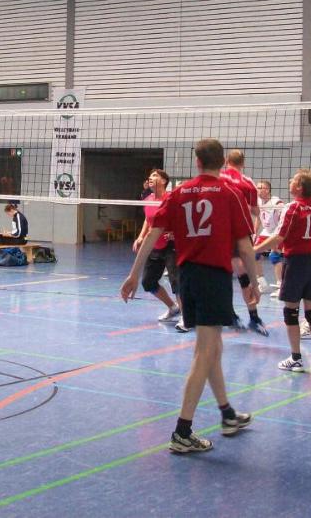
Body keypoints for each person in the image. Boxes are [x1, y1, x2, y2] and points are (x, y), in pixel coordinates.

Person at [121, 138, 259, 454]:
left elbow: (152, 235)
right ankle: (182, 432)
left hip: (188, 276)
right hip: (213, 277)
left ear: (197, 162)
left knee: (212, 348)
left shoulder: (179, 193)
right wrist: (252, 282)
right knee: (205, 352)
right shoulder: (231, 193)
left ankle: (227, 414)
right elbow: (245, 245)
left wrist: (133, 274)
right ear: (223, 163)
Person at [255, 170, 311, 375]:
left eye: (293, 180)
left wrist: (254, 249)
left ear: (299, 187)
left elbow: (279, 237)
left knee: (291, 312)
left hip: (297, 263)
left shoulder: (292, 207)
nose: (289, 182)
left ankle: (296, 359)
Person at [221, 149, 268, 336]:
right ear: (243, 163)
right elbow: (256, 211)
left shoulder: (218, 178)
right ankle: (253, 317)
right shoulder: (247, 182)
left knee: (223, 273)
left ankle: (230, 315)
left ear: (226, 161)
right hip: (241, 231)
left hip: (220, 231)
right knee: (243, 274)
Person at [132, 169, 180, 323]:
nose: (150, 178)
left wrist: (176, 232)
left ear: (164, 181)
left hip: (171, 245)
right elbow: (148, 219)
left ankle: (186, 316)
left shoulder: (171, 198)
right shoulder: (148, 199)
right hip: (154, 245)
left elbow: (181, 218)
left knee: (176, 281)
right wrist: (141, 237)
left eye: (154, 175)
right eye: (150, 176)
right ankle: (173, 308)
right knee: (148, 282)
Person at [256, 179, 284, 290]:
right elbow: (258, 217)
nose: (257, 190)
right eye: (257, 188)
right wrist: (254, 232)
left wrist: (279, 237)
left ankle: (280, 285)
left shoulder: (277, 203)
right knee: (254, 254)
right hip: (266, 231)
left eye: (260, 188)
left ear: (267, 190)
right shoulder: (258, 201)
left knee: (274, 256)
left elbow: (283, 220)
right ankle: (262, 282)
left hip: (277, 231)